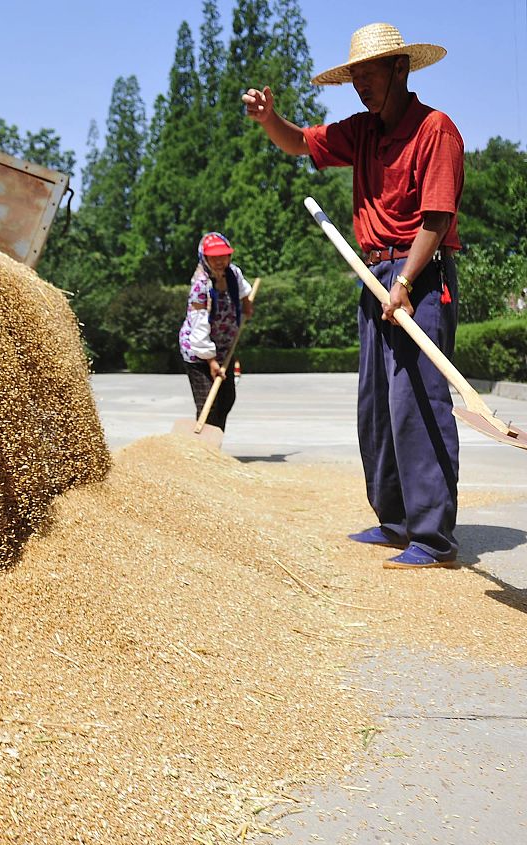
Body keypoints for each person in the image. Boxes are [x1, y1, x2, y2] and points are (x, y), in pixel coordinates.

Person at [242, 22, 463, 570]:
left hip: (421, 276)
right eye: (355, 77)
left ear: (400, 69)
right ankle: (395, 520)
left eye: (370, 74)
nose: (362, 85)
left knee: (417, 403)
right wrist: (270, 119)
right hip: (374, 278)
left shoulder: (436, 130)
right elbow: (299, 142)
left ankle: (433, 535)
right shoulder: (361, 131)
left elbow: (436, 218)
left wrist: (406, 284)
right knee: (377, 408)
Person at [178, 232, 255, 432]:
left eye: (224, 256)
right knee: (208, 406)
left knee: (227, 398)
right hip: (198, 352)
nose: (220, 261)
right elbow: (199, 327)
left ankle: (214, 445)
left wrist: (247, 305)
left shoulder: (233, 274)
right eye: (214, 257)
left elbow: (244, 290)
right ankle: (202, 450)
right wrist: (211, 361)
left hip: (224, 349)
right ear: (204, 258)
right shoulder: (200, 286)